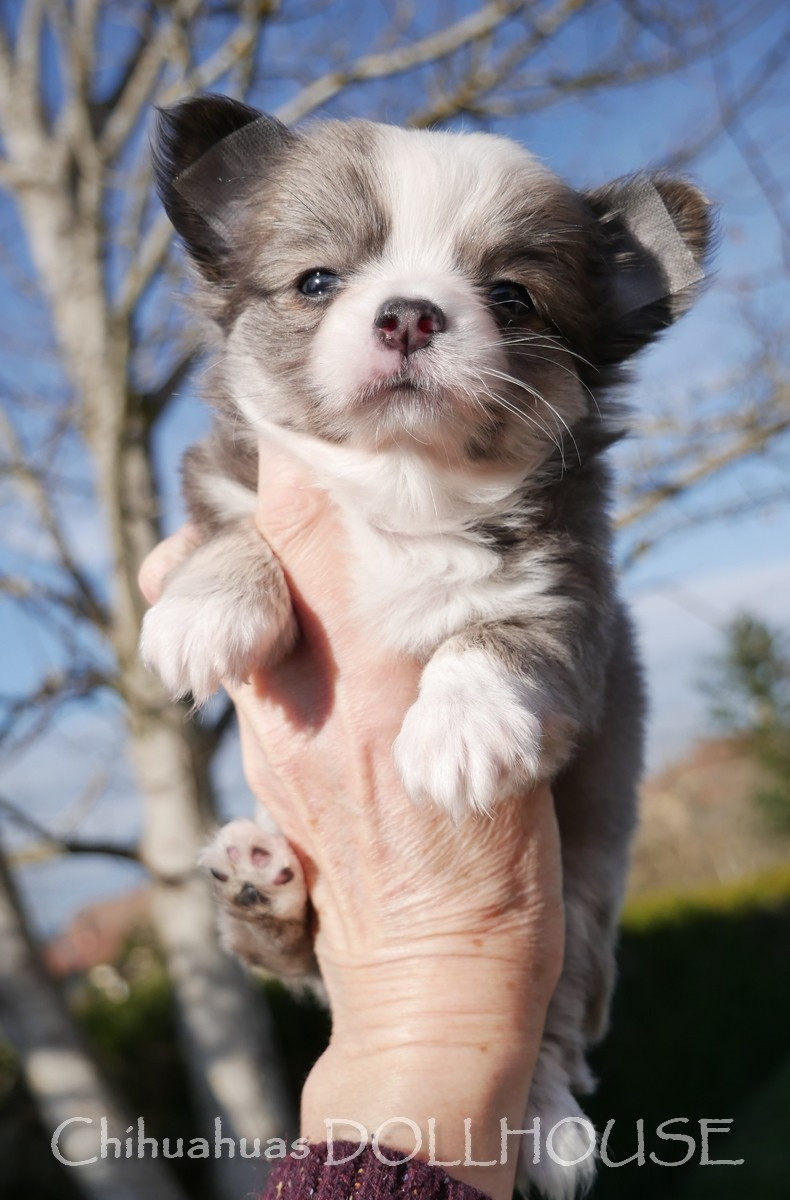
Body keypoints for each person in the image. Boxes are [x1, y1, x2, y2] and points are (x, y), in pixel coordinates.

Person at [139, 442, 565, 1200]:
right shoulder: (246, 460)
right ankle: (281, 932)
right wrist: (235, 567)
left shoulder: (533, 484)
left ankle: (552, 1057)